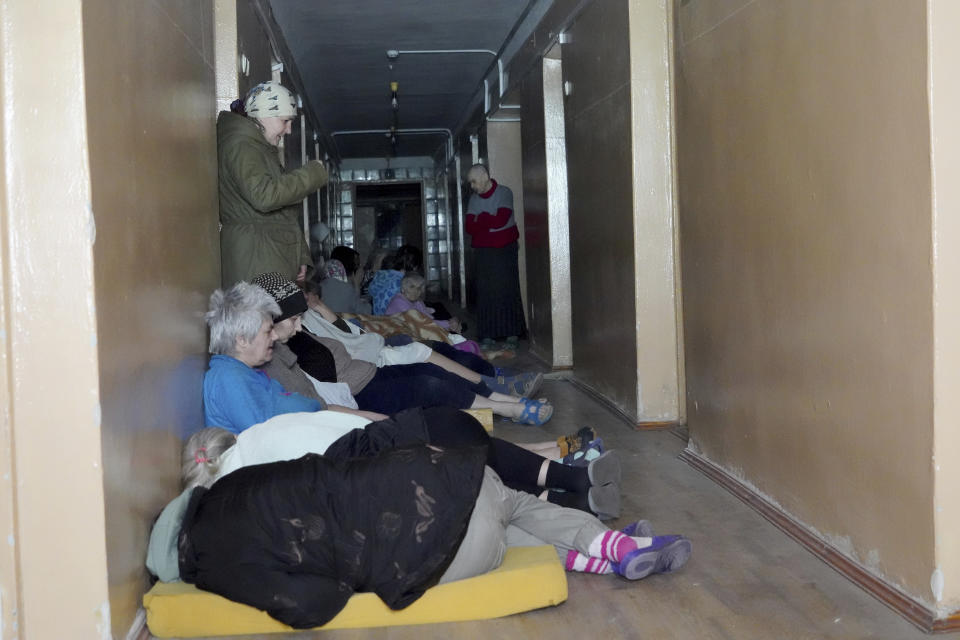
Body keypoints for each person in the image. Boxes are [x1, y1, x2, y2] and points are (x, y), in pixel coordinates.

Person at [147, 423, 692, 629]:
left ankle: (594, 556)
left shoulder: (216, 563)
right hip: (452, 477)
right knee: (515, 503)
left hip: (453, 553)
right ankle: (616, 545)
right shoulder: (248, 479)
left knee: (500, 530)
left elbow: (312, 606)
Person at [245, 273, 554, 426]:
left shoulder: (294, 335)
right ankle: (507, 408)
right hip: (358, 392)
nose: (300, 325)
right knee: (428, 384)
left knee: (429, 367)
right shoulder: (276, 355)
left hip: (368, 374)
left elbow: (340, 332)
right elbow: (315, 401)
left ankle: (503, 397)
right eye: (295, 319)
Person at [217, 81, 328, 286]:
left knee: (288, 318)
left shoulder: (258, 146)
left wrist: (300, 256)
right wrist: (312, 174)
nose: (288, 130)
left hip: (265, 253)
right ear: (263, 115)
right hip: (255, 257)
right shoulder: (241, 145)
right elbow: (265, 197)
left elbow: (282, 212)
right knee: (269, 319)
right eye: (285, 121)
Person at [464, 164, 525, 348]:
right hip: (484, 251)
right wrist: (488, 221)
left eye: (474, 181)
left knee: (507, 288)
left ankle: (512, 334)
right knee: (485, 291)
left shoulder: (504, 192)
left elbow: (501, 219)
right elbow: (469, 227)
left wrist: (481, 219)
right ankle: (487, 335)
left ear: (484, 176)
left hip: (504, 249)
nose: (472, 186)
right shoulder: (474, 199)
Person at [368, 244, 422, 314]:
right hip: (394, 321)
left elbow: (371, 290)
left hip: (378, 319)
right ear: (415, 266)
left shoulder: (382, 275)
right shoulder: (404, 282)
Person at [317, 246, 371, 314]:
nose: (359, 268)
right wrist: (356, 284)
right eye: (357, 265)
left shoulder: (319, 286)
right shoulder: (347, 289)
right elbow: (365, 311)